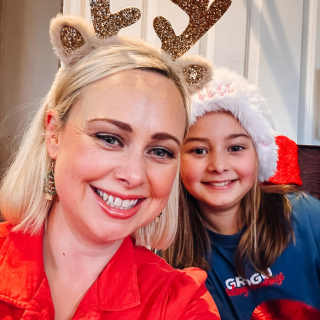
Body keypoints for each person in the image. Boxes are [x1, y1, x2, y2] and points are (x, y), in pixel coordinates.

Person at [0, 6, 221, 319]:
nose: (133, 175)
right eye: (109, 138)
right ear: (54, 134)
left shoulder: (180, 303)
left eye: (160, 151)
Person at [162, 67, 320, 319]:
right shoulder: (164, 249)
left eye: (235, 147)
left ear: (260, 155)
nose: (219, 165)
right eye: (199, 151)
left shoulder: (308, 217)